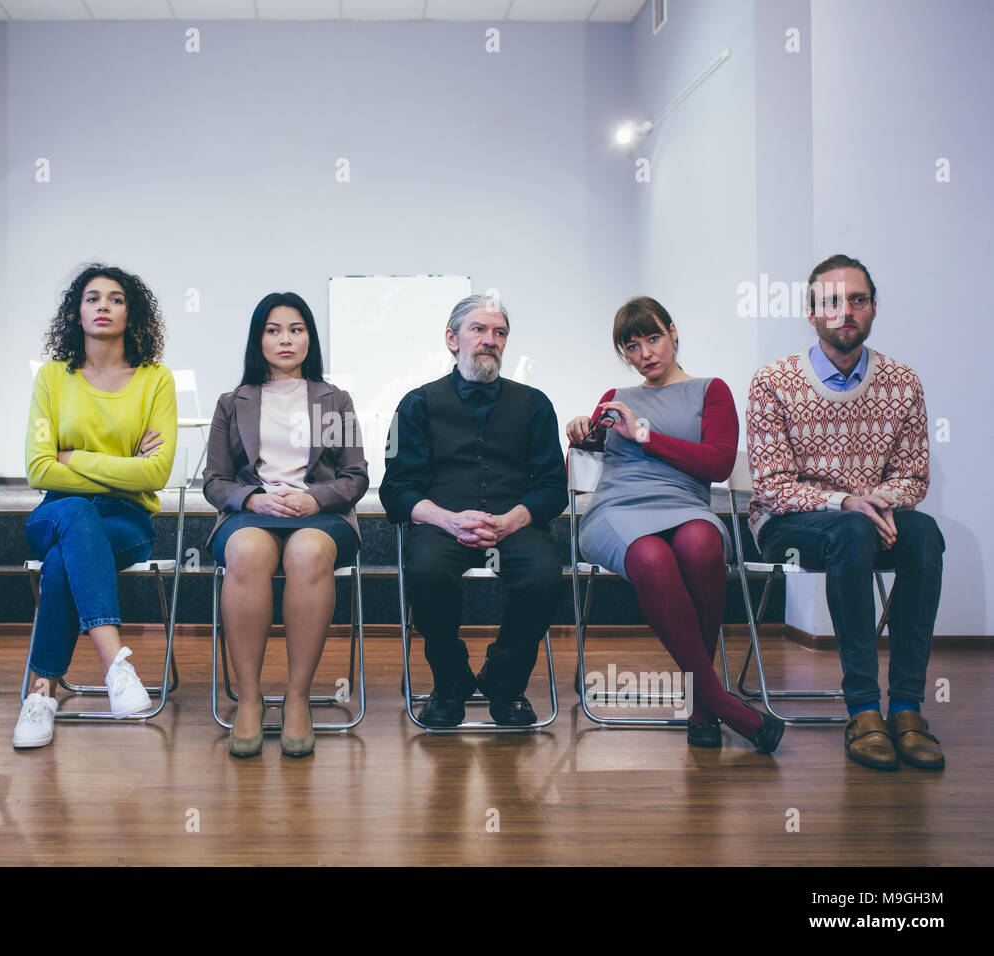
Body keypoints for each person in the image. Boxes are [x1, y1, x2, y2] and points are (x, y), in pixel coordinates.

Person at [747, 254, 944, 770]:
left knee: (925, 536)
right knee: (852, 533)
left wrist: (879, 500)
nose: (845, 311)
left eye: (857, 299)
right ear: (811, 314)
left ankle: (906, 707)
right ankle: (862, 708)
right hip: (788, 522)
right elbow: (771, 485)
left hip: (872, 516)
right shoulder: (773, 381)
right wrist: (845, 501)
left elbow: (913, 476)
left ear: (874, 309)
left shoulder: (903, 383)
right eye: (831, 302)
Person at [567, 297, 783, 753]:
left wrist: (645, 436)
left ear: (673, 333)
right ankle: (717, 703)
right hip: (618, 509)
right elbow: (591, 451)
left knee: (703, 546)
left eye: (653, 338)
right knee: (651, 556)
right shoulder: (616, 398)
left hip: (685, 504)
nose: (645, 353)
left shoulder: (712, 390)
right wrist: (582, 429)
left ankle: (703, 703)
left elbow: (720, 464)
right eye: (632, 346)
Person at [379, 294, 565, 727]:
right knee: (425, 572)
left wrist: (510, 520)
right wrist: (447, 518)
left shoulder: (535, 404)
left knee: (543, 576)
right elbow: (396, 489)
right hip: (443, 526)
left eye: (499, 333)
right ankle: (450, 682)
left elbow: (553, 486)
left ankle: (504, 681)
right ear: (452, 339)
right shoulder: (417, 404)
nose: (490, 340)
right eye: (479, 330)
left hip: (514, 526)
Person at [13, 265, 177, 749]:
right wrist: (122, 462)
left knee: (65, 560)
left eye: (116, 298)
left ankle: (40, 694)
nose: (103, 306)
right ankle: (116, 666)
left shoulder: (155, 380)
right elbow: (39, 470)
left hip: (127, 520)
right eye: (92, 298)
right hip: (56, 510)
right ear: (76, 311)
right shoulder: (52, 378)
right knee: (76, 515)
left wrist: (75, 457)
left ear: (133, 312)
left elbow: (156, 474)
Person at [204, 292, 368, 758]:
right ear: (259, 340)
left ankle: (297, 698)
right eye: (273, 330)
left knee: (307, 552)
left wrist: (311, 497)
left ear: (310, 338)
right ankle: (251, 699)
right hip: (251, 513)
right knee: (248, 553)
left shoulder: (335, 399)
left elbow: (356, 477)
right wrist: (253, 498)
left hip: (320, 514)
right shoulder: (232, 402)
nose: (285, 339)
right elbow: (214, 481)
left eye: (296, 329)